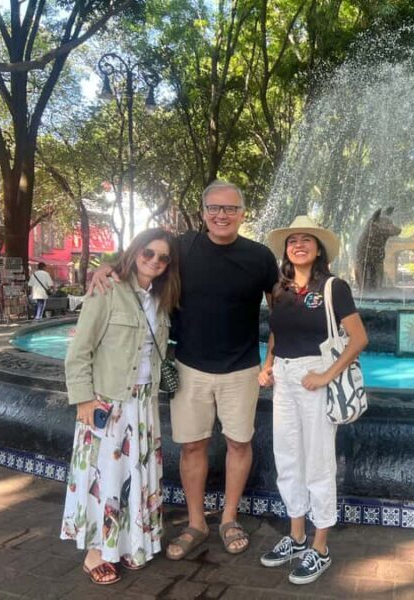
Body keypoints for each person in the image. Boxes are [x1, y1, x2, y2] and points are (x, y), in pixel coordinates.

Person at [89, 181, 279, 558]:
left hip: (241, 368)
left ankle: (228, 518)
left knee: (239, 442)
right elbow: (144, 259)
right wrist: (107, 267)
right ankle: (196, 523)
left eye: (230, 209)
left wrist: (271, 359)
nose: (221, 215)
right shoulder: (182, 248)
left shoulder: (260, 257)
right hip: (189, 365)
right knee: (193, 446)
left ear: (243, 213)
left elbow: (281, 312)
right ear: (203, 210)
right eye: (214, 208)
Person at [61, 228, 180, 585]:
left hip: (143, 402)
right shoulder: (108, 289)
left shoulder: (159, 299)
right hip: (109, 399)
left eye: (162, 258)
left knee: (135, 477)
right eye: (148, 253)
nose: (155, 261)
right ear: (134, 252)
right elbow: (80, 349)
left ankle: (129, 544)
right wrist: (83, 397)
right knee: (103, 478)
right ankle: (95, 552)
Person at [258, 215, 368, 585]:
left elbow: (358, 339)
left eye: (307, 239)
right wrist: (268, 364)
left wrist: (325, 375)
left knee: (319, 461)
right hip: (285, 379)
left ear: (318, 249)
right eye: (293, 240)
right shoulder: (278, 289)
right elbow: (276, 332)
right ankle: (297, 535)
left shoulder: (334, 287)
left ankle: (320, 547)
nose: (299, 244)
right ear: (287, 250)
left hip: (316, 375)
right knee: (287, 456)